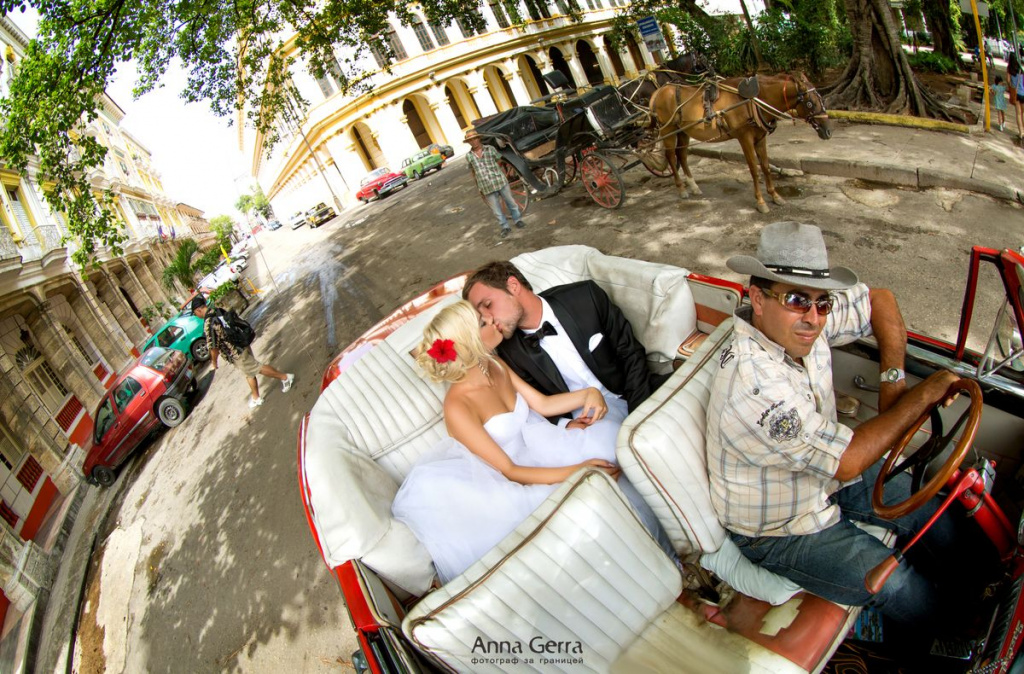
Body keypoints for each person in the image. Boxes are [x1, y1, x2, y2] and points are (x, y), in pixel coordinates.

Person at [706, 222, 987, 637]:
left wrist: (893, 382)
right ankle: (963, 635)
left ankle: (986, 585)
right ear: (758, 299)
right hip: (780, 526)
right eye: (796, 299)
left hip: (824, 479)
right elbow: (848, 461)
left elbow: (879, 299)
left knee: (933, 509)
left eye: (823, 303)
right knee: (894, 581)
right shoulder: (754, 386)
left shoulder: (800, 326)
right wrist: (922, 395)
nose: (813, 319)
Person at [392, 300, 625, 584]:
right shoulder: (458, 406)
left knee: (609, 445)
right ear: (467, 343)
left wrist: (588, 394)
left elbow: (542, 404)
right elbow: (510, 471)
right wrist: (579, 470)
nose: (493, 320)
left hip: (538, 447)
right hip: (505, 481)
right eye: (483, 323)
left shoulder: (494, 364)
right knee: (578, 506)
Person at [463, 260, 668, 417]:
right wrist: (567, 424)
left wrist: (638, 415)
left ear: (513, 286)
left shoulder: (585, 297)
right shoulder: (509, 351)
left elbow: (631, 354)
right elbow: (538, 405)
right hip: (588, 422)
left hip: (638, 394)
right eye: (481, 316)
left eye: (488, 305)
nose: (488, 319)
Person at [191, 295, 294, 409]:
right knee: (249, 373)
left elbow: (213, 347)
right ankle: (256, 397)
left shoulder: (208, 323)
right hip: (240, 342)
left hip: (236, 352)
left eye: (195, 313)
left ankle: (285, 377)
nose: (196, 316)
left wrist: (214, 363)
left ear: (198, 310)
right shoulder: (217, 310)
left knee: (256, 368)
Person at [465, 130, 526, 239]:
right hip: (485, 186)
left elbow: (499, 161)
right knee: (496, 210)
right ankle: (505, 227)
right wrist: (478, 187)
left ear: (479, 138)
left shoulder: (490, 149)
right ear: (468, 142)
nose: (473, 141)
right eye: (470, 140)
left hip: (499, 181)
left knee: (511, 203)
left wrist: (495, 172)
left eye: (475, 138)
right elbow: (473, 171)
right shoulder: (469, 156)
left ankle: (518, 220)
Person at [1008, 54, 1024, 143]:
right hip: (1023, 93)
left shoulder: (1009, 69)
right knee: (1023, 113)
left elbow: (1008, 80)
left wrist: (1011, 86)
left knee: (1018, 114)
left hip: (1016, 93)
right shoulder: (1021, 69)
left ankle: (1021, 132)